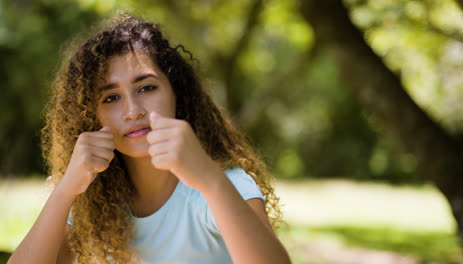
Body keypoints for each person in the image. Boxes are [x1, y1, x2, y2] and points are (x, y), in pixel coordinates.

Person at [8, 13, 291, 264]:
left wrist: (208, 176)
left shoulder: (223, 182)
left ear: (177, 94)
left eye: (146, 88)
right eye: (111, 97)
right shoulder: (92, 198)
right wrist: (65, 190)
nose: (132, 111)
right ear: (91, 117)